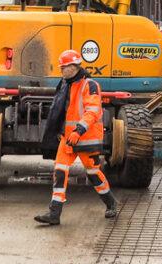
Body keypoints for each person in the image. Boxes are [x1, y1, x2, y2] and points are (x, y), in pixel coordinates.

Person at [35, 49, 118, 225]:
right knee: (60, 170)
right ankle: (54, 213)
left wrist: (78, 130)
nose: (61, 70)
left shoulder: (90, 85)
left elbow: (93, 111)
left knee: (93, 173)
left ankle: (111, 203)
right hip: (68, 138)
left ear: (74, 67)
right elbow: (61, 111)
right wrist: (60, 130)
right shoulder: (65, 85)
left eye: (64, 67)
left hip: (86, 139)